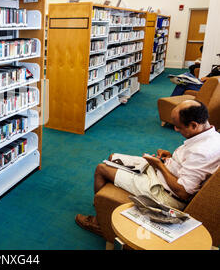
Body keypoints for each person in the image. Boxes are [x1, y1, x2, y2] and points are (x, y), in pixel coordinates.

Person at [75, 100, 220, 236]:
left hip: (166, 194)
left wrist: (159, 165)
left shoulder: (201, 152)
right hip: (163, 175)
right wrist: (169, 159)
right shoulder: (213, 137)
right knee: (113, 157)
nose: (175, 129)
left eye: (178, 126)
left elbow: (184, 193)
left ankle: (100, 223)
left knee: (101, 169)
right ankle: (102, 204)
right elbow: (188, 166)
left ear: (194, 125)